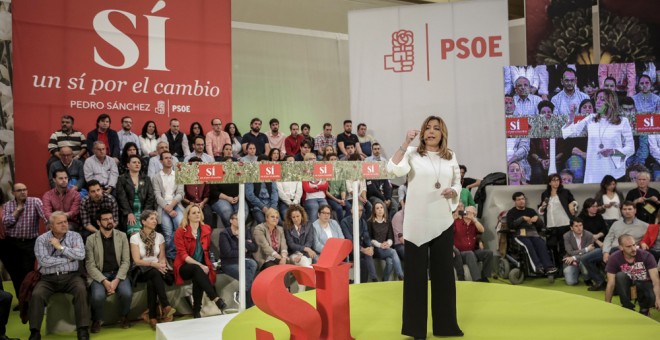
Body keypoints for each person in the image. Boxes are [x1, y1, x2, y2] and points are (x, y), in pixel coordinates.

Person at [387, 115, 463, 338]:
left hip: (442, 221)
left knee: (444, 277)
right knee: (415, 278)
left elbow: (458, 181)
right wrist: (404, 143)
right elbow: (393, 170)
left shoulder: (451, 157)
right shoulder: (412, 153)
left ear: (443, 133)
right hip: (416, 222)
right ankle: (415, 329)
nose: (431, 131)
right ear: (421, 132)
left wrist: (454, 192)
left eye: (436, 128)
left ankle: (446, 327)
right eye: (427, 128)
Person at [29, 212, 89, 340]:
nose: (64, 225)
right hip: (48, 279)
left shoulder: (75, 236)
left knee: (81, 290)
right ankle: (35, 331)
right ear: (51, 226)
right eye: (59, 223)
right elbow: (44, 261)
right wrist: (68, 259)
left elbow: (80, 255)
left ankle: (82, 329)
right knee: (36, 295)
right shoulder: (41, 239)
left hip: (71, 277)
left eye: (65, 222)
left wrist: (60, 248)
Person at [562, 88, 634, 183]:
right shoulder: (591, 119)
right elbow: (568, 133)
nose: (597, 102)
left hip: (613, 168)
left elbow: (631, 148)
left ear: (610, 102)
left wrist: (612, 152)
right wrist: (571, 118)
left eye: (602, 99)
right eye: (597, 99)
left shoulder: (622, 121)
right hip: (594, 168)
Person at [173, 205, 226, 318]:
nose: (197, 214)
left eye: (198, 212)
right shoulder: (180, 231)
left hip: (201, 265)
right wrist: (201, 265)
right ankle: (215, 298)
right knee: (197, 269)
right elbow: (183, 255)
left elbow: (206, 249)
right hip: (184, 266)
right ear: (188, 215)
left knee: (198, 275)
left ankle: (196, 311)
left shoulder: (206, 228)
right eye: (194, 213)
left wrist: (206, 264)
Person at [85, 209, 132, 332]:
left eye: (110, 218)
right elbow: (90, 265)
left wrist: (117, 280)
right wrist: (104, 281)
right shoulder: (91, 239)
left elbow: (126, 261)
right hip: (100, 274)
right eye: (105, 219)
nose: (109, 221)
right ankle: (96, 319)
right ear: (99, 223)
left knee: (127, 293)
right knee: (97, 296)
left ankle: (124, 316)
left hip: (118, 273)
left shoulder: (122, 236)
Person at [129, 210, 176, 329]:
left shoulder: (160, 237)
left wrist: (161, 265)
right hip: (140, 270)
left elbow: (161, 257)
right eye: (151, 218)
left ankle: (153, 317)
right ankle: (165, 306)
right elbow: (137, 261)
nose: (155, 221)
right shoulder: (135, 238)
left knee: (153, 279)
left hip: (156, 270)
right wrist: (154, 265)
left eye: (155, 218)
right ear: (143, 222)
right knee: (154, 273)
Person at [2, 183, 47, 296]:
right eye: (19, 190)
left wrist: (51, 226)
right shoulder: (8, 205)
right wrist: (17, 211)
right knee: (15, 273)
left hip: (29, 243)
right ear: (13, 193)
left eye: (25, 189)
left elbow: (45, 216)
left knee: (28, 273)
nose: (23, 192)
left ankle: (30, 299)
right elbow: (6, 222)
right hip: (11, 243)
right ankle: (21, 300)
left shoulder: (35, 201)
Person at [605, 234, 660, 316]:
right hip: (627, 285)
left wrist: (658, 298)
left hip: (644, 284)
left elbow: (656, 280)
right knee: (620, 276)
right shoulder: (614, 258)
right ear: (621, 247)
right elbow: (611, 283)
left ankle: (644, 309)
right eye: (629, 246)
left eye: (634, 245)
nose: (633, 249)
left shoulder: (647, 256)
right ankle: (627, 307)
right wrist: (606, 304)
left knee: (649, 291)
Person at [506, 192, 557, 275]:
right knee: (528, 245)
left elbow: (540, 227)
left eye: (523, 199)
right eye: (519, 199)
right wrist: (522, 218)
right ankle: (537, 267)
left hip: (533, 234)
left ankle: (548, 267)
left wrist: (538, 220)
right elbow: (511, 226)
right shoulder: (511, 212)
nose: (522, 201)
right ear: (514, 201)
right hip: (520, 235)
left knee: (541, 243)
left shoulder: (531, 211)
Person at [538, 173, 578, 268]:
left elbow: (574, 201)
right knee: (552, 246)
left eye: (558, 180)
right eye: (553, 180)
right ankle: (554, 267)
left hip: (564, 223)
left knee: (564, 247)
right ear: (549, 182)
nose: (556, 182)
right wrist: (542, 207)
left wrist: (573, 205)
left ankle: (563, 268)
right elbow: (541, 210)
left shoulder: (565, 192)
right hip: (551, 225)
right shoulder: (545, 194)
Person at [218, 212, 258, 307]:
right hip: (229, 263)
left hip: (244, 261)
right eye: (237, 219)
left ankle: (241, 294)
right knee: (248, 274)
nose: (239, 221)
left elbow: (253, 247)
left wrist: (241, 238)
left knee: (253, 263)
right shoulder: (224, 234)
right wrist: (243, 250)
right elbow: (227, 253)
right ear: (231, 220)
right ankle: (249, 305)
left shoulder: (245, 231)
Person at [151, 151, 185, 260]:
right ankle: (171, 256)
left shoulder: (178, 174)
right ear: (161, 161)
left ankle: (180, 254)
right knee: (168, 231)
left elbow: (180, 193)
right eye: (166, 158)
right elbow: (157, 196)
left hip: (176, 204)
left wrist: (171, 206)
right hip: (163, 207)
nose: (169, 160)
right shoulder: (156, 177)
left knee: (180, 226)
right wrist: (168, 208)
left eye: (170, 158)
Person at [116, 155, 156, 235]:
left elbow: (150, 196)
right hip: (130, 211)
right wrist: (129, 213)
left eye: (139, 163)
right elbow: (121, 198)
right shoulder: (122, 179)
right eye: (134, 162)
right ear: (128, 165)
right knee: (134, 234)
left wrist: (145, 213)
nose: (137, 164)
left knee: (147, 234)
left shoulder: (146, 178)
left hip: (144, 210)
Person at [562, 217, 605, 290]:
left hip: (582, 261)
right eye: (576, 226)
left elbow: (588, 254)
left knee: (584, 259)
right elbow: (570, 252)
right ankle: (579, 273)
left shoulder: (589, 235)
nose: (579, 228)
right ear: (571, 228)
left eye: (580, 225)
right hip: (571, 261)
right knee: (571, 282)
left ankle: (586, 278)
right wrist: (586, 249)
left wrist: (574, 257)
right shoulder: (566, 236)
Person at [453, 206, 493, 282]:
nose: (466, 213)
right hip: (460, 254)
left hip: (473, 251)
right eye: (466, 211)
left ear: (474, 214)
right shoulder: (457, 222)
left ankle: (485, 276)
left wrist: (474, 219)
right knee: (470, 254)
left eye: (469, 212)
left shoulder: (474, 223)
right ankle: (477, 279)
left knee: (489, 253)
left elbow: (482, 230)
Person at [368, 202, 404, 281]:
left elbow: (391, 237)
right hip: (376, 249)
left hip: (386, 248)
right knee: (393, 252)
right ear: (374, 211)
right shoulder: (370, 222)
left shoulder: (388, 222)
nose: (380, 210)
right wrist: (380, 245)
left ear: (384, 209)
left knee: (390, 261)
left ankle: (385, 279)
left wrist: (388, 243)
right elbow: (370, 239)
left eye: (381, 207)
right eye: (377, 208)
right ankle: (401, 276)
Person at [182, 157, 213, 225]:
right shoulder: (184, 178)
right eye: (194, 165)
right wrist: (191, 203)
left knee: (208, 214)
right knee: (191, 213)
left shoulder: (205, 178)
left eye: (198, 165)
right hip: (188, 203)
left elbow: (207, 195)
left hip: (202, 203)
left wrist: (202, 203)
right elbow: (182, 196)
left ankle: (206, 234)